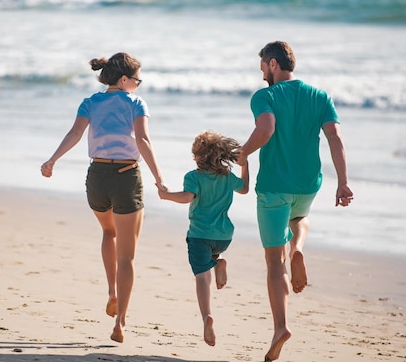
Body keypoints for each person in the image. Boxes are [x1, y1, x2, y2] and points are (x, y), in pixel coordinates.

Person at [237, 41, 354, 361]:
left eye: (263, 67)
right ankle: (298, 247)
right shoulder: (320, 96)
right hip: (308, 184)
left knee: (274, 262)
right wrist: (343, 182)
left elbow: (267, 128)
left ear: (273, 64)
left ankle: (280, 327)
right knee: (299, 218)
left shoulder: (265, 96)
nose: (262, 73)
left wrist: (244, 152)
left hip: (274, 185)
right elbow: (335, 138)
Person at [40, 52, 167, 343]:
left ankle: (111, 291)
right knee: (128, 256)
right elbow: (143, 141)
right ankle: (120, 322)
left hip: (96, 177)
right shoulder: (136, 102)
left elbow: (75, 133)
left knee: (108, 232)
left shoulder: (90, 102)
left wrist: (52, 160)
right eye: (138, 79)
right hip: (126, 177)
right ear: (124, 79)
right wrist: (159, 178)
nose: (138, 84)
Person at [158, 130, 249, 347]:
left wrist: (166, 195)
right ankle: (217, 262)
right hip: (224, 237)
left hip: (200, 235)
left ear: (200, 157)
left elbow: (186, 197)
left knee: (201, 277)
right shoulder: (227, 177)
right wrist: (245, 165)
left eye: (195, 154)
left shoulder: (193, 177)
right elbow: (244, 189)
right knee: (208, 262)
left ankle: (206, 315)